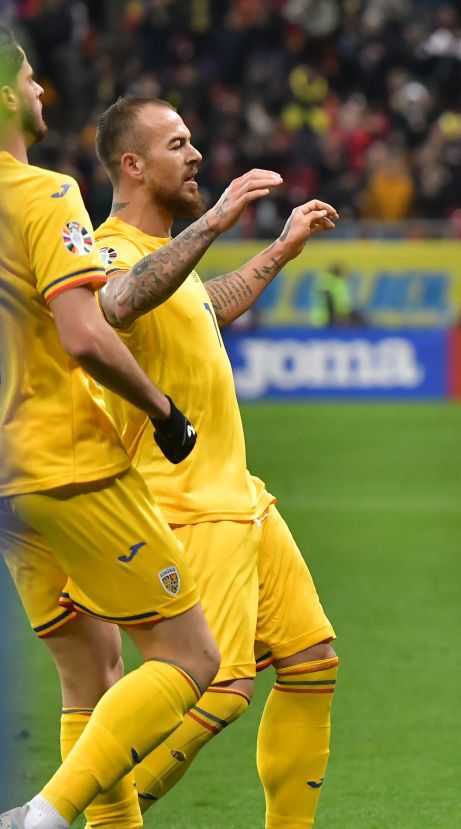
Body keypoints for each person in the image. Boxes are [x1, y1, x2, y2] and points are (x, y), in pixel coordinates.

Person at [84, 95, 340, 828]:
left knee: (312, 659)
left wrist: (280, 249)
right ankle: (79, 807)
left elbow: (208, 302)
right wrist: (217, 219)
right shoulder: (108, 248)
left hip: (241, 493)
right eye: (178, 143)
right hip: (185, 496)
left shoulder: (174, 259)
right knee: (218, 688)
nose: (196, 155)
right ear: (132, 164)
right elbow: (122, 302)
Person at [0, 30, 218, 829]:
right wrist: (164, 411)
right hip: (65, 461)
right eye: (27, 77)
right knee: (192, 658)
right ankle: (45, 817)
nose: (40, 90)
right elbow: (86, 334)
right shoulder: (43, 194)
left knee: (88, 671)